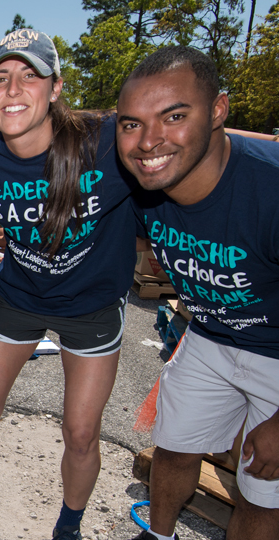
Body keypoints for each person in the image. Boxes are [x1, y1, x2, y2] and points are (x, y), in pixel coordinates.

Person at [0, 29, 140, 540]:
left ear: (55, 88)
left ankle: (68, 528)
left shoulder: (107, 140)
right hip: (20, 297)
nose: (12, 89)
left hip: (94, 306)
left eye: (29, 76)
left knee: (80, 433)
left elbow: (192, 150)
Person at [116, 46, 279, 540]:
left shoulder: (269, 190)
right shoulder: (142, 188)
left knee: (262, 488)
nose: (149, 141)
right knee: (173, 448)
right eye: (132, 124)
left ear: (218, 111)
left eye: (175, 116)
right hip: (208, 335)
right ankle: (157, 533)